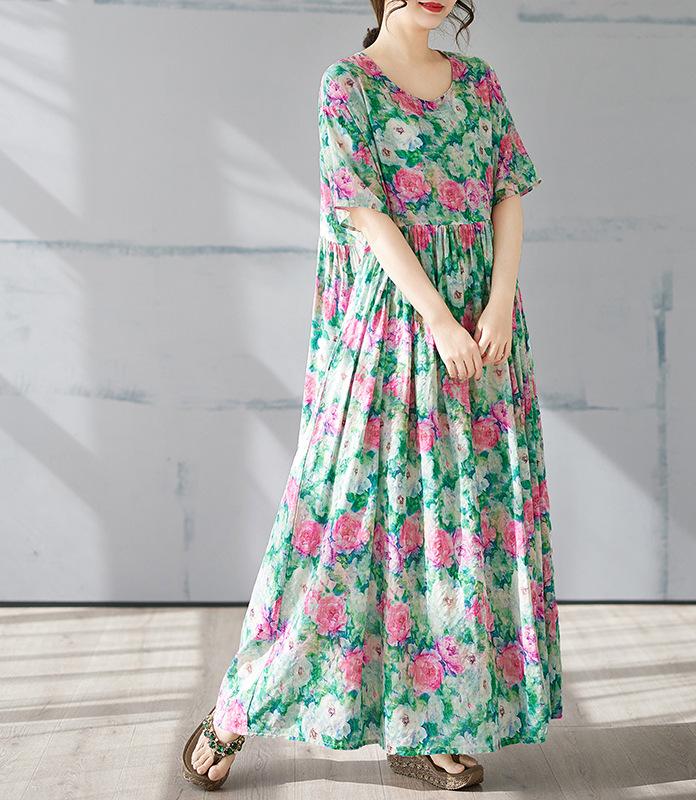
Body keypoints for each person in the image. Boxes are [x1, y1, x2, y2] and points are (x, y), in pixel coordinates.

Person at [181, 0, 562, 791]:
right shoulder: (348, 85)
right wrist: (439, 320)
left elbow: (507, 193)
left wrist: (496, 303)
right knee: (337, 523)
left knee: (454, 527)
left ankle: (426, 726)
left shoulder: (480, 83)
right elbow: (364, 213)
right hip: (396, 325)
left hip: (484, 331)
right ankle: (236, 710)